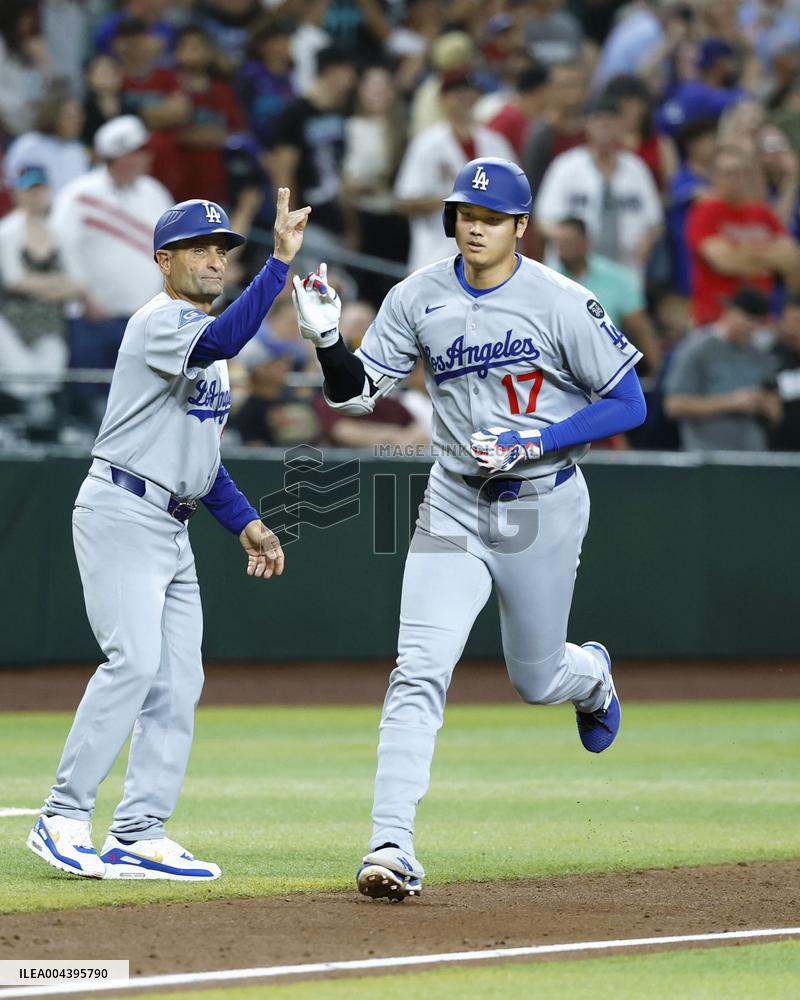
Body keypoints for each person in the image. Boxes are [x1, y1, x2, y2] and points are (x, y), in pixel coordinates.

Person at [292, 157, 646, 900]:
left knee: (536, 679)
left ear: (522, 226)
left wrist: (536, 440)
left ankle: (591, 677)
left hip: (541, 501)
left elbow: (629, 402)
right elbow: (357, 397)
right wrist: (328, 344)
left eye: (491, 218)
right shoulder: (417, 295)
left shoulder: (561, 301)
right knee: (418, 669)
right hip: (453, 500)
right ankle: (391, 844)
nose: (475, 227)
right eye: (465, 214)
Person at [27, 188, 310, 881]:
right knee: (132, 662)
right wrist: (277, 263)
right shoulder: (161, 321)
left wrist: (247, 522)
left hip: (172, 523)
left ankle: (138, 832)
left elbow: (202, 461)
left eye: (221, 250)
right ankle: (61, 816)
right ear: (164, 260)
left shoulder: (205, 351)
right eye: (198, 249)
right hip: (122, 509)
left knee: (179, 680)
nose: (214, 259)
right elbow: (223, 338)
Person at [50, 115, 174, 425]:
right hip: (91, 319)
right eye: (139, 151)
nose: (147, 157)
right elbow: (61, 251)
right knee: (91, 402)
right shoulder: (79, 194)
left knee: (140, 405)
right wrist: (84, 298)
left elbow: (172, 248)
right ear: (120, 156)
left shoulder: (155, 193)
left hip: (143, 322)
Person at [395, 70, 516, 272]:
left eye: (467, 91)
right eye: (455, 92)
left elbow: (517, 195)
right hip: (437, 254)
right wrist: (453, 200)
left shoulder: (495, 143)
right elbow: (405, 201)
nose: (463, 98)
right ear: (443, 99)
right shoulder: (427, 144)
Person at [535, 93, 663, 279]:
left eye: (611, 120)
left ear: (622, 125)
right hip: (573, 270)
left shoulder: (636, 168)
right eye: (598, 120)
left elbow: (655, 221)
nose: (604, 126)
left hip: (625, 268)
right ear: (586, 124)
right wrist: (567, 239)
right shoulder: (566, 166)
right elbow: (543, 221)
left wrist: (648, 239)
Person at [685, 144, 799, 325]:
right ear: (715, 177)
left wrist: (739, 252)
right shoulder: (704, 212)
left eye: (744, 172)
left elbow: (791, 259)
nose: (738, 179)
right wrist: (768, 258)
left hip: (762, 319)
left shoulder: (763, 213)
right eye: (730, 173)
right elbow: (724, 262)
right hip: (718, 318)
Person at [663, 287, 781, 452]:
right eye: (748, 320)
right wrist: (731, 402)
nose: (752, 328)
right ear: (731, 312)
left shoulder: (760, 354)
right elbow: (674, 405)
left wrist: (765, 406)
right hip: (706, 455)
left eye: (757, 323)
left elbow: (775, 412)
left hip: (752, 455)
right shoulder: (696, 348)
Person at [549, 217, 662, 372]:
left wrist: (659, 374)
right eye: (559, 243)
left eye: (569, 243)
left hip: (607, 362)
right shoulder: (546, 279)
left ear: (585, 242)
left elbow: (640, 327)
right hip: (558, 364)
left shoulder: (617, 278)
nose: (563, 249)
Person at [770, 292, 800, 450]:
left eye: (798, 322)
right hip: (781, 450)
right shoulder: (772, 355)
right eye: (788, 321)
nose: (792, 329)